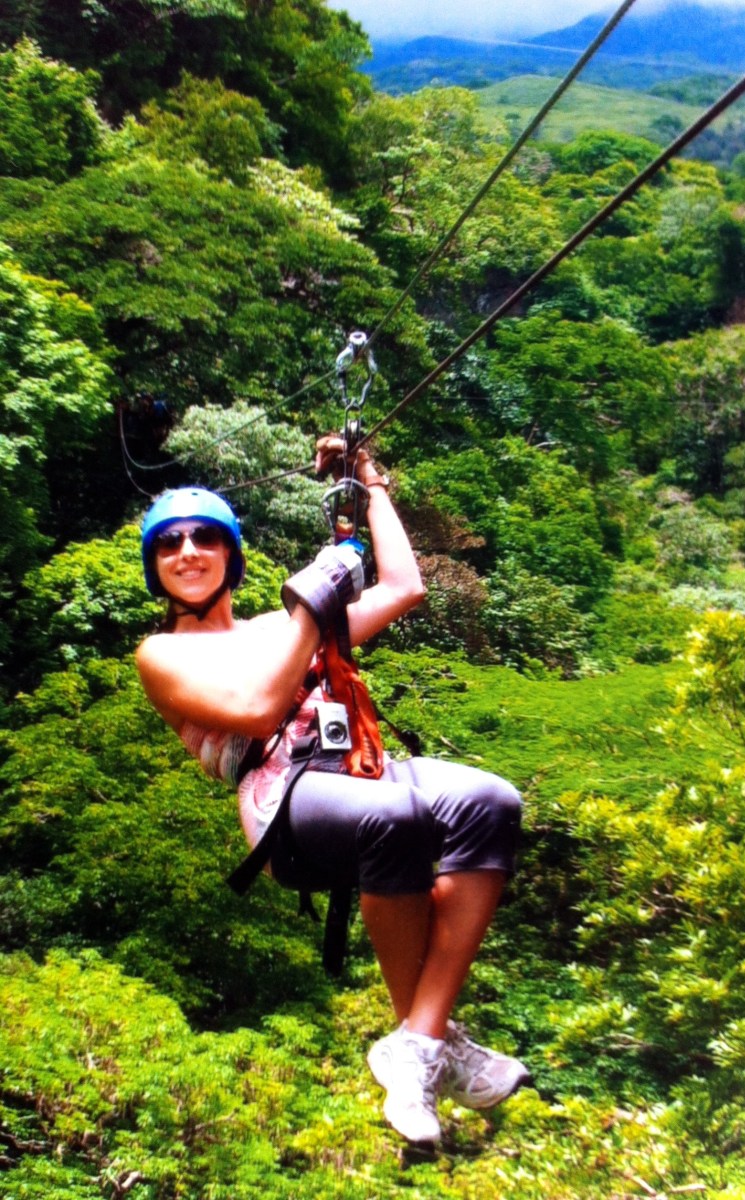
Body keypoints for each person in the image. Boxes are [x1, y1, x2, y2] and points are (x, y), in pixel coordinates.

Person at [136, 436, 529, 1146]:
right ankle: (431, 1044)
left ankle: (423, 1038)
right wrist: (313, 606)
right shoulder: (163, 654)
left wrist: (370, 481)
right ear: (155, 567)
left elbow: (406, 588)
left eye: (203, 538)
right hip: (284, 802)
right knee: (395, 815)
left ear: (230, 554)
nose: (188, 552)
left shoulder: (278, 627)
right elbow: (258, 709)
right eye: (169, 544)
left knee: (490, 801)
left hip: (356, 768)